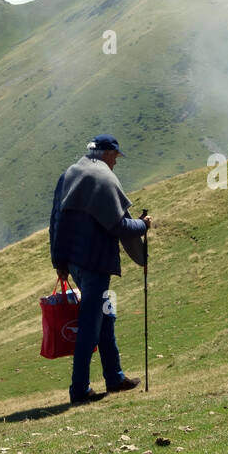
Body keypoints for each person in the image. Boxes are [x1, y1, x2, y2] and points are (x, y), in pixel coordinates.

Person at [49, 134, 151, 403]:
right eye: (115, 157)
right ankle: (79, 390)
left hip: (73, 262)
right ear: (107, 153)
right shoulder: (103, 179)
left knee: (105, 317)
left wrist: (58, 262)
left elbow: (55, 219)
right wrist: (144, 225)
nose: (116, 162)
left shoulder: (70, 174)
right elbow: (118, 226)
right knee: (90, 324)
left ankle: (114, 377)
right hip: (95, 264)